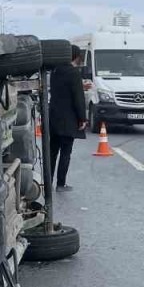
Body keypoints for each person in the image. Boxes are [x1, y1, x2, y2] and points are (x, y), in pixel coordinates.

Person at [48, 45, 88, 192]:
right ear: (76, 56)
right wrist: (82, 118)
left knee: (52, 152)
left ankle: (48, 182)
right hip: (68, 119)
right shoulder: (73, 73)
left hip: (54, 118)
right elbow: (78, 98)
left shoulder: (55, 71)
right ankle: (61, 184)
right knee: (66, 152)